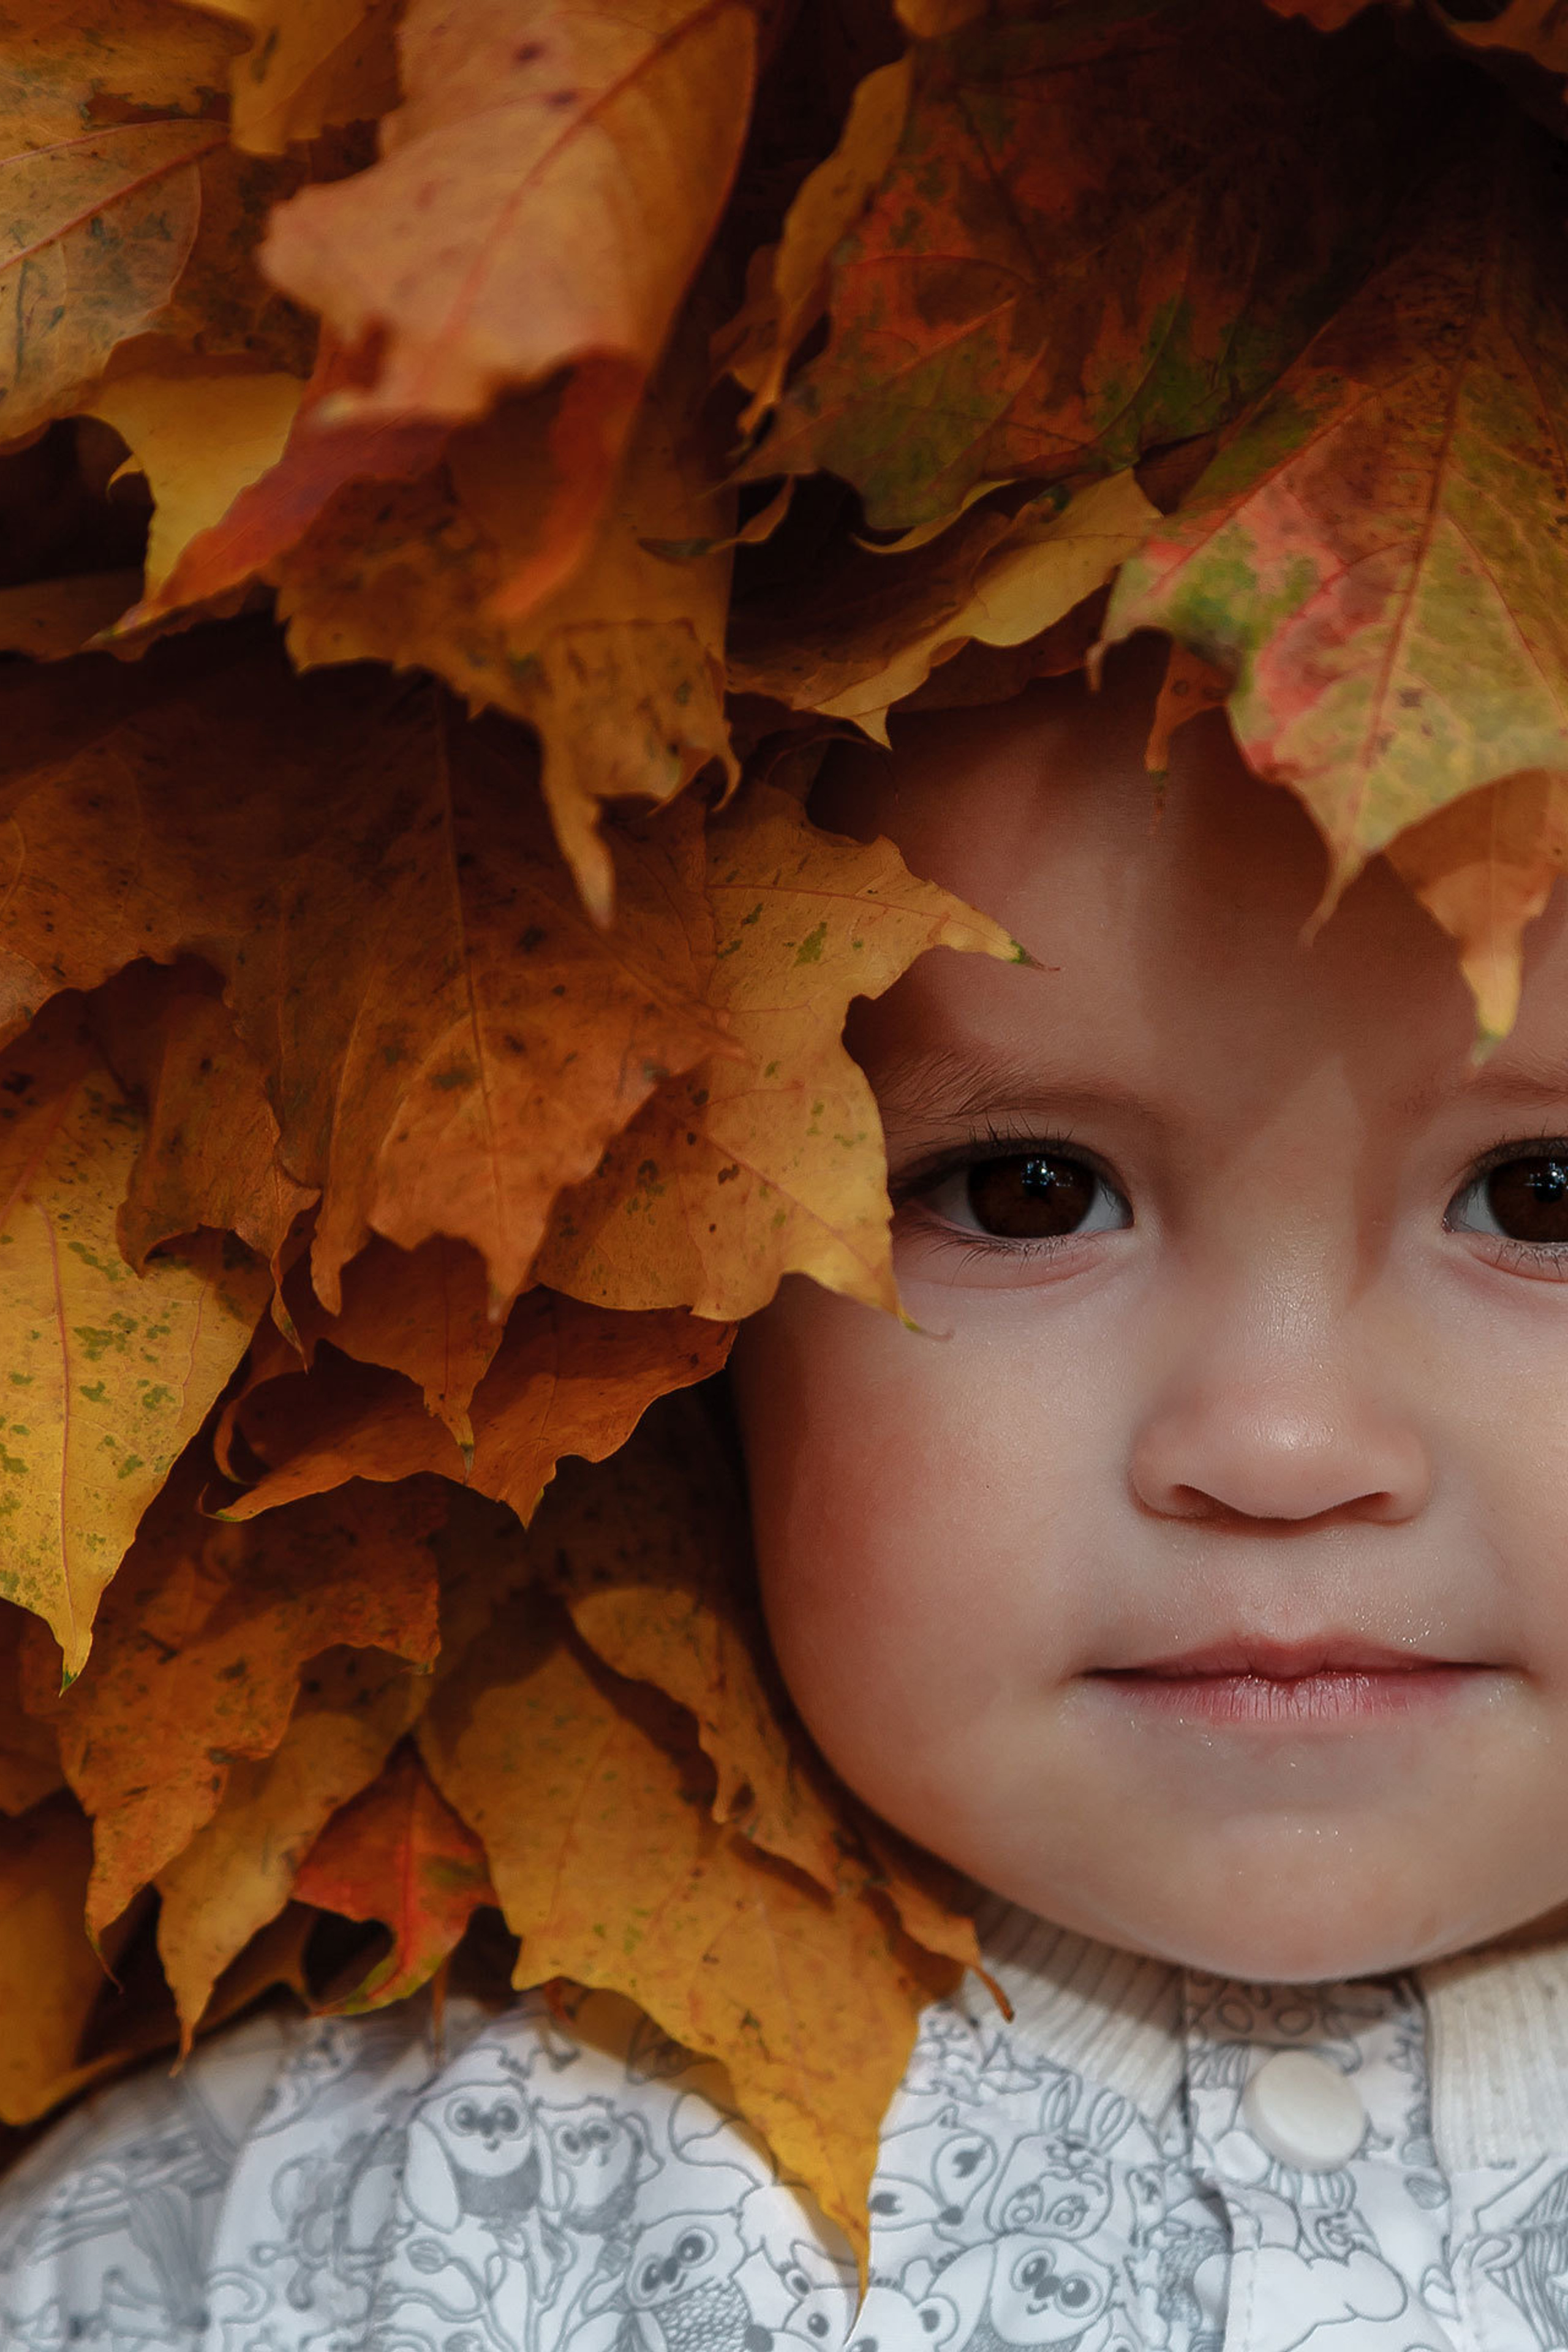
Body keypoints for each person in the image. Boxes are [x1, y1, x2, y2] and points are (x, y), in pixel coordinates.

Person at [7, 638, 1568, 2351]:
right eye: (1029, 1193)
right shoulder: (322, 2212)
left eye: (1542, 1199)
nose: (1281, 1450)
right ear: (687, 1303)